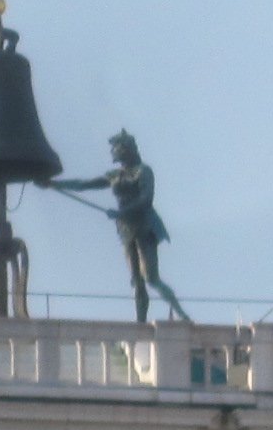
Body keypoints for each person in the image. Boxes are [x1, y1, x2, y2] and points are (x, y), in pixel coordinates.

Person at [54, 131, 187, 324]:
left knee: (151, 278)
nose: (113, 152)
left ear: (127, 150)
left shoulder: (143, 171)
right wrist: (55, 185)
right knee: (136, 280)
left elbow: (146, 199)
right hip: (126, 229)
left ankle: (181, 314)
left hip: (144, 226)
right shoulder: (114, 175)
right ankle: (140, 323)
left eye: (116, 148)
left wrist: (122, 213)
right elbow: (83, 185)